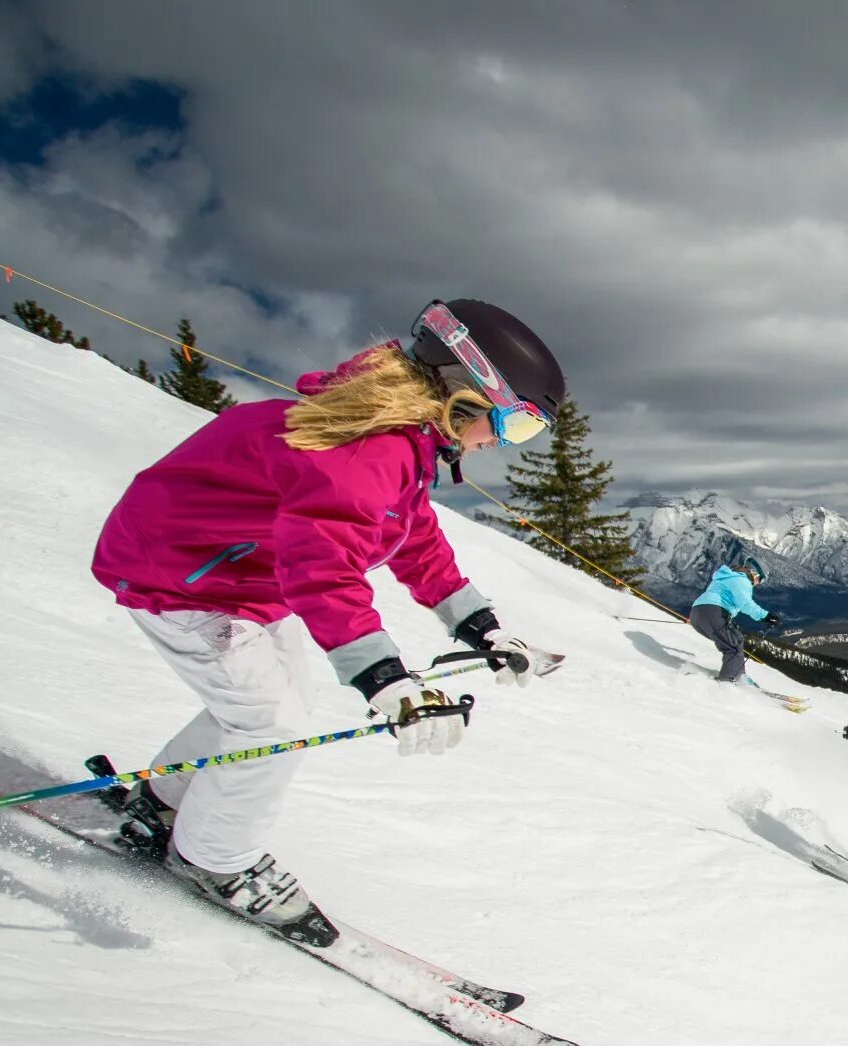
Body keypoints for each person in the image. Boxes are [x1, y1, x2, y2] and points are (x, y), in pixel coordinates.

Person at [90, 298, 565, 946]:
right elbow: (324, 564)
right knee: (270, 718)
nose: (500, 445)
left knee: (269, 704)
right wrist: (384, 679)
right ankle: (216, 859)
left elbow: (414, 539)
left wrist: (482, 627)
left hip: (237, 579)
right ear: (467, 391)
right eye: (515, 428)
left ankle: (159, 804)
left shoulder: (398, 443)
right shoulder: (368, 449)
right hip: (179, 575)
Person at [687, 554, 783, 683]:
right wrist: (766, 616)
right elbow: (746, 604)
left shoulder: (727, 577)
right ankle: (728, 681)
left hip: (697, 613)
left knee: (736, 638)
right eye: (761, 579)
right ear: (755, 574)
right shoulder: (742, 581)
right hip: (713, 612)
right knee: (733, 646)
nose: (758, 583)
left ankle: (739, 675)